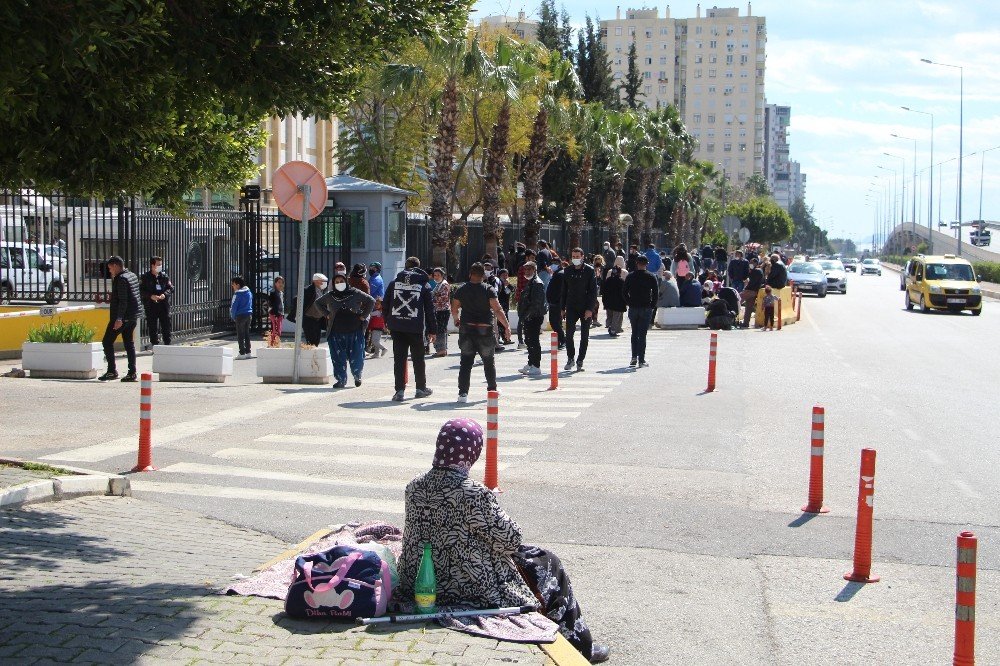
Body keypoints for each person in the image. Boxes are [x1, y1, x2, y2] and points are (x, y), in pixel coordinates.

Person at [397, 419, 611, 664]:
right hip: (468, 587)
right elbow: (511, 540)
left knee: (534, 559)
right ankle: (580, 645)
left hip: (420, 582)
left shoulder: (414, 486)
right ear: (471, 452)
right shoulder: (472, 493)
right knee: (548, 563)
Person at [451, 263, 511, 403]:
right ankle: (492, 390)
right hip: (484, 329)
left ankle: (463, 394)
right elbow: (498, 309)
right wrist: (506, 327)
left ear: (470, 274)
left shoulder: (461, 290)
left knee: (465, 362)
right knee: (488, 361)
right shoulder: (488, 289)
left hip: (467, 328)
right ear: (483, 275)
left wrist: (456, 319)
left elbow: (454, 308)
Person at [384, 257, 436, 402]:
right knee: (418, 359)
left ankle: (399, 391)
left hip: (397, 327)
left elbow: (386, 303)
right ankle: (420, 388)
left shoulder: (394, 283)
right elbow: (430, 310)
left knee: (399, 359)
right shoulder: (424, 285)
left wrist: (387, 321)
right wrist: (433, 330)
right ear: (419, 267)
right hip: (415, 328)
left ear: (405, 267)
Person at [310, 274, 374, 388]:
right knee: (338, 358)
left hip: (354, 330)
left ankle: (357, 376)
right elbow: (317, 303)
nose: (339, 283)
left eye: (341, 281)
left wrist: (363, 316)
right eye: (337, 282)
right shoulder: (330, 295)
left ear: (346, 281)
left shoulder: (355, 293)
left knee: (357, 355)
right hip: (336, 332)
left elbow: (371, 301)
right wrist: (327, 314)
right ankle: (341, 380)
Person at [98, 256, 143, 382]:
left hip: (122, 317)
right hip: (133, 316)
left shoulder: (121, 279)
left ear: (116, 266)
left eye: (110, 268)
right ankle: (132, 372)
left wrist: (119, 318)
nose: (110, 271)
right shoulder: (132, 275)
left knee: (107, 342)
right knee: (129, 343)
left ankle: (112, 371)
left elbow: (123, 301)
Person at [560, 248, 597, 373]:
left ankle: (580, 359)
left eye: (577, 256)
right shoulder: (568, 271)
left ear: (582, 257)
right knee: (569, 334)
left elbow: (593, 292)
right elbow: (564, 291)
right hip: (571, 306)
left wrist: (590, 309)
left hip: (585, 307)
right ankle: (571, 358)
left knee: (584, 335)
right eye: (573, 256)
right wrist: (562, 308)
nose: (575, 258)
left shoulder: (589, 270)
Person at [623, 254, 657, 368]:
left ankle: (633, 357)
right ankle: (641, 360)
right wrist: (652, 305)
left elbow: (624, 292)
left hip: (633, 308)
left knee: (634, 333)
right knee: (642, 334)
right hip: (646, 307)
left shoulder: (630, 276)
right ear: (646, 265)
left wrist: (629, 302)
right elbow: (656, 293)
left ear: (637, 264)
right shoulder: (651, 276)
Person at [516, 261, 546, 377]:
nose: (527, 272)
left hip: (534, 316)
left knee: (533, 341)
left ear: (534, 270)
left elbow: (536, 303)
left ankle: (536, 366)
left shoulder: (537, 283)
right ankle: (530, 363)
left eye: (529, 270)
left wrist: (527, 315)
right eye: (526, 270)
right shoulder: (531, 282)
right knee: (529, 341)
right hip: (529, 316)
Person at [138, 255, 172, 348]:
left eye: (161, 264)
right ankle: (155, 346)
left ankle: (167, 345)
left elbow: (171, 288)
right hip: (151, 306)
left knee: (166, 325)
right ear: (152, 266)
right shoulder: (145, 277)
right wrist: (150, 296)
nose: (160, 266)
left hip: (163, 305)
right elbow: (141, 290)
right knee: (152, 327)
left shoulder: (164, 276)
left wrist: (164, 294)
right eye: (158, 265)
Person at [514, 249, 536, 350]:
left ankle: (523, 340)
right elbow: (523, 284)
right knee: (522, 319)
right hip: (524, 297)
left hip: (525, 296)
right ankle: (521, 341)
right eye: (531, 258)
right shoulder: (525, 269)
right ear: (527, 257)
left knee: (524, 319)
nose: (533, 260)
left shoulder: (526, 268)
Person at [298, 274, 328, 346]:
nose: (324, 283)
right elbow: (298, 300)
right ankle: (311, 356)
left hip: (318, 320)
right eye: (323, 281)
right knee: (311, 341)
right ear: (316, 281)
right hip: (309, 319)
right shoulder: (308, 290)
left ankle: (314, 356)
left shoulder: (321, 291)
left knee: (317, 340)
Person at [601, 256, 627, 337]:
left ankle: (610, 325)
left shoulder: (609, 275)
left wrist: (604, 300)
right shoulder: (623, 277)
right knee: (617, 316)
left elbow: (604, 289)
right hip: (619, 301)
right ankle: (614, 329)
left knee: (610, 314)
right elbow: (625, 290)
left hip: (609, 300)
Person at [230, 275, 254, 359]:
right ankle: (248, 352)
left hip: (240, 316)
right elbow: (251, 302)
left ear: (238, 285)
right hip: (249, 315)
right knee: (247, 334)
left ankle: (242, 353)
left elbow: (233, 307)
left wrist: (233, 317)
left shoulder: (237, 295)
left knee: (240, 335)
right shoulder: (249, 292)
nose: (232, 286)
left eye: (233, 284)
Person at [429, 268, 451, 358]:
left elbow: (443, 298)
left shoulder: (444, 284)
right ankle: (442, 349)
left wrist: (432, 299)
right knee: (441, 329)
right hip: (438, 309)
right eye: (435, 275)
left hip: (443, 310)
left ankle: (441, 350)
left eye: (438, 275)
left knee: (440, 330)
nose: (436, 277)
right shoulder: (438, 284)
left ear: (442, 275)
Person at [546, 261, 566, 350]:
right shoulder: (557, 273)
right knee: (556, 322)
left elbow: (561, 291)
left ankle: (563, 339)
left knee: (555, 322)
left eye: (554, 263)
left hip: (556, 303)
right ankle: (560, 339)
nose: (552, 265)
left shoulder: (560, 274)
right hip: (554, 302)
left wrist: (557, 301)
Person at [367, 262, 386, 356]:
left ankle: (375, 348)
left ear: (377, 269)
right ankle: (376, 351)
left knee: (374, 330)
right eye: (370, 267)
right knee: (373, 330)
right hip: (374, 306)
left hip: (375, 306)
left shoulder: (376, 279)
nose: (371, 269)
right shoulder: (374, 278)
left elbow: (370, 291)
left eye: (373, 268)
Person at [741, 259, 765, 329]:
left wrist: (746, 289)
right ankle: (746, 323)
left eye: (752, 263)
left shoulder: (756, 271)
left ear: (755, 263)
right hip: (755, 291)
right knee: (748, 307)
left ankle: (736, 320)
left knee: (737, 299)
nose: (750, 264)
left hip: (750, 290)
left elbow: (751, 282)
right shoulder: (758, 270)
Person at [496, 268, 514, 344]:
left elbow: (512, 290)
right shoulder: (498, 283)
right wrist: (503, 285)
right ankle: (500, 338)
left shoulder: (507, 283)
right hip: (499, 306)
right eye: (503, 275)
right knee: (499, 323)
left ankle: (506, 338)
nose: (505, 276)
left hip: (505, 306)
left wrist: (508, 285)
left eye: (506, 275)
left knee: (505, 322)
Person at [267, 276, 285, 347]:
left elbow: (282, 304)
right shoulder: (273, 292)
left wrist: (282, 313)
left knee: (279, 330)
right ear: (275, 283)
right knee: (275, 329)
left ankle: (276, 343)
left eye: (282, 282)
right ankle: (272, 344)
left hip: (280, 313)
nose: (281, 284)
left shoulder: (281, 292)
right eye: (279, 282)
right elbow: (271, 304)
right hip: (274, 313)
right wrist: (273, 313)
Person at [590, 255, 605, 328]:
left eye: (599, 260)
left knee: (595, 304)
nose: (598, 261)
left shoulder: (602, 268)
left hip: (598, 287)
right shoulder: (592, 268)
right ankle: (593, 320)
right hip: (591, 287)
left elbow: (602, 277)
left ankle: (593, 320)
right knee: (595, 304)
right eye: (596, 259)